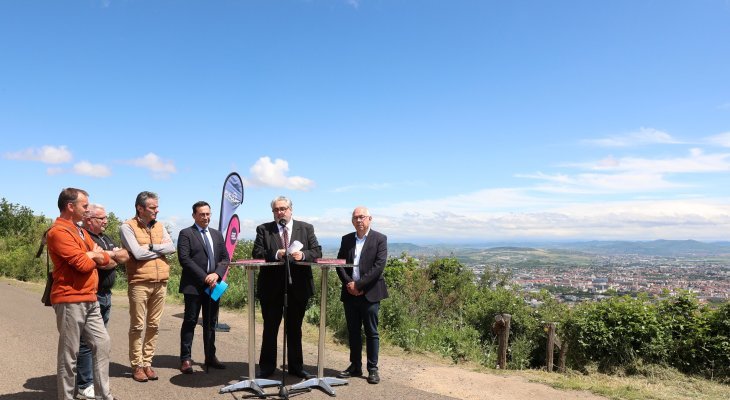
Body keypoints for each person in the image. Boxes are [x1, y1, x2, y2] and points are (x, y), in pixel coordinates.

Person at [47, 188, 117, 399]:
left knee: (102, 343)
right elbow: (82, 264)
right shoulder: (58, 232)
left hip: (90, 297)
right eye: (84, 206)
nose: (87, 210)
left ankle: (103, 395)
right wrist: (92, 255)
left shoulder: (80, 231)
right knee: (69, 355)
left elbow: (104, 257)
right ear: (70, 206)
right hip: (70, 299)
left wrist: (94, 254)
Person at [253, 196, 322, 380]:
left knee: (294, 329)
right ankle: (267, 367)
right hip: (271, 288)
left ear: (291, 209)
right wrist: (277, 253)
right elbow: (257, 252)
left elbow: (317, 252)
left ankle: (296, 367)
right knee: (270, 329)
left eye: (283, 208)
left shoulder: (306, 228)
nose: (280, 212)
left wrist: (303, 254)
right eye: (276, 209)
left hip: (298, 287)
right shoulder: (264, 229)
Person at [120, 191, 176, 383]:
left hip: (160, 282)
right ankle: (136, 365)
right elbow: (136, 253)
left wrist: (151, 248)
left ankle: (147, 363)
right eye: (152, 207)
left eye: (156, 207)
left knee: (154, 325)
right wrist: (157, 250)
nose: (156, 211)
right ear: (140, 208)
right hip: (139, 283)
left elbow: (172, 248)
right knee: (137, 325)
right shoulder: (127, 227)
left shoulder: (160, 226)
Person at [75, 204, 129, 399]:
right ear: (89, 220)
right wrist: (110, 255)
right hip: (92, 294)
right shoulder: (85, 237)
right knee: (87, 341)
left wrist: (106, 256)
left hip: (106, 295)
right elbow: (100, 261)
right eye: (102, 218)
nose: (106, 221)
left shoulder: (104, 238)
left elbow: (123, 256)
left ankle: (93, 382)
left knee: (100, 341)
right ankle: (85, 383)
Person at [335, 206, 388, 384]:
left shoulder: (380, 239)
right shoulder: (346, 239)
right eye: (356, 217)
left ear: (370, 219)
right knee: (353, 331)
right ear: (352, 220)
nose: (359, 220)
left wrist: (359, 285)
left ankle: (372, 369)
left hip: (370, 293)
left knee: (371, 332)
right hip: (350, 294)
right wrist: (349, 284)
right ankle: (355, 366)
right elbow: (339, 263)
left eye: (362, 217)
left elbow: (378, 266)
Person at [177, 201, 230, 374]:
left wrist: (216, 275)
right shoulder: (186, 233)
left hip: (214, 285)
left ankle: (210, 356)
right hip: (194, 286)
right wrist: (205, 277)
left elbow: (225, 258)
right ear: (194, 215)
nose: (205, 217)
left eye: (208, 214)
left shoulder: (216, 234)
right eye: (202, 214)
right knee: (190, 321)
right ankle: (186, 358)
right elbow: (185, 259)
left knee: (211, 322)